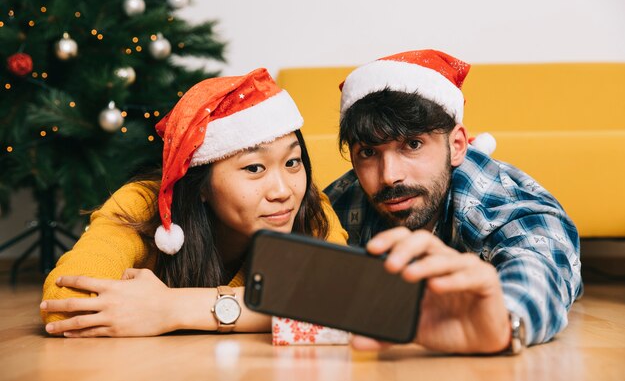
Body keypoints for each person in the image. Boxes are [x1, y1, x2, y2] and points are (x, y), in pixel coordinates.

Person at [40, 68, 348, 337]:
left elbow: (345, 298)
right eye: (254, 168)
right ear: (199, 183)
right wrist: (273, 307)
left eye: (293, 162)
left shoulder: (309, 206)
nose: (283, 190)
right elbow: (65, 305)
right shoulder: (141, 205)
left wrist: (173, 309)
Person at [324, 49, 582, 354]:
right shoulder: (343, 197)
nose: (390, 176)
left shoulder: (490, 200)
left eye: (413, 144)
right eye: (368, 152)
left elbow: (540, 256)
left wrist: (503, 322)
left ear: (457, 145)